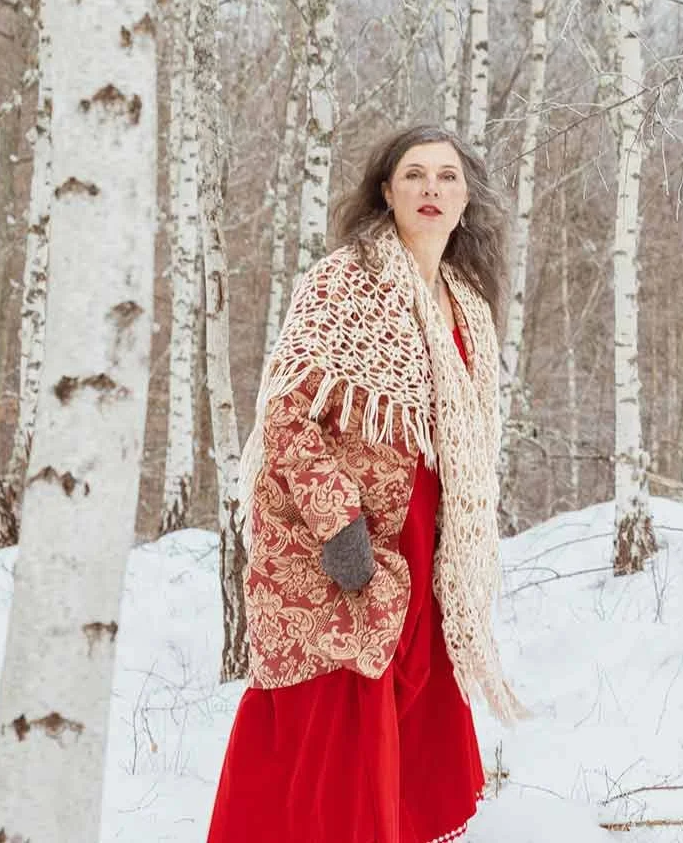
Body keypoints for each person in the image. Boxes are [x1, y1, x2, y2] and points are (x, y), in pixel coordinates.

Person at [208, 125, 525, 843]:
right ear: (386, 190)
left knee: (406, 729)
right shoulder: (345, 280)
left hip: (426, 544)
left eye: (447, 177)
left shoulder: (464, 299)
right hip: (340, 546)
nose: (431, 191)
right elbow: (287, 412)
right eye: (414, 175)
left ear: (467, 196)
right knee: (329, 726)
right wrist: (338, 525)